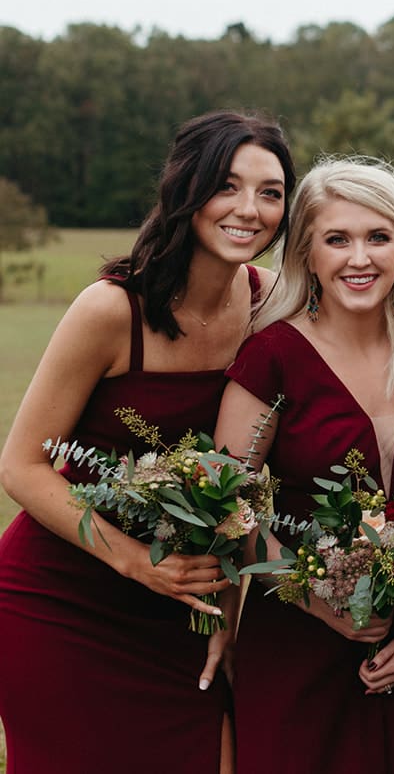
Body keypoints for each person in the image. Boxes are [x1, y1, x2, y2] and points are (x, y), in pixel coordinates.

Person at [0, 111, 294, 773]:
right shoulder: (110, 310)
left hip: (178, 613)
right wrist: (133, 558)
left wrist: (225, 606)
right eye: (228, 184)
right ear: (188, 188)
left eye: (270, 192)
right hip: (61, 602)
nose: (250, 209)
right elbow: (21, 466)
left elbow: (241, 484)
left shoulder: (273, 305)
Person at [214, 158, 394, 774]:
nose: (360, 258)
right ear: (307, 251)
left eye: (378, 237)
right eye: (338, 239)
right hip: (299, 646)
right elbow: (229, 504)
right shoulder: (273, 356)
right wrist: (315, 600)